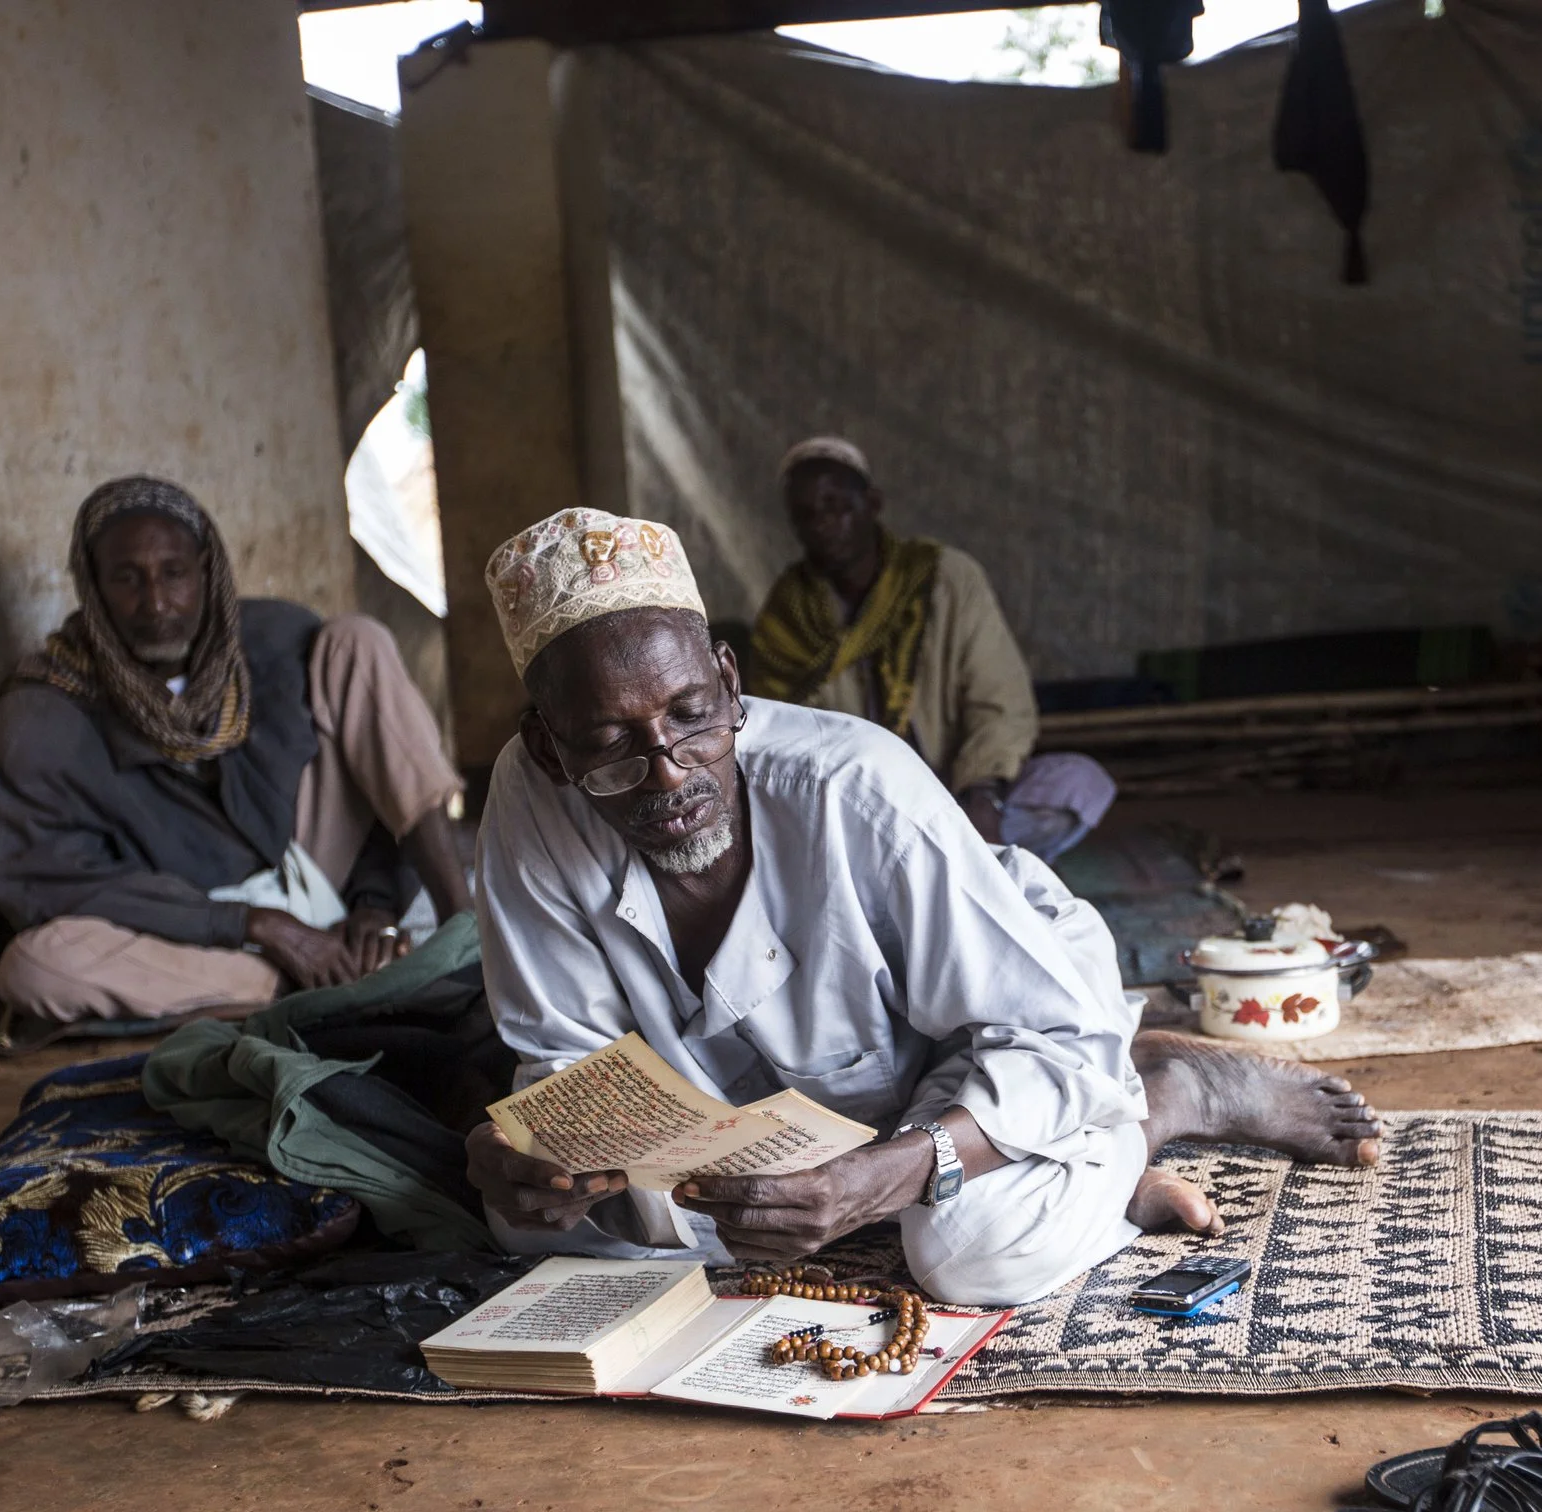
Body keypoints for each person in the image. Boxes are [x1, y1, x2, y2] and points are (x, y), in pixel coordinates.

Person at [465, 508, 1379, 1306]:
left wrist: (882, 1178)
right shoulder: (528, 796)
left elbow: (1050, 1035)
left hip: (994, 1027)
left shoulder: (855, 787)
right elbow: (567, 1060)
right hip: (751, 1109)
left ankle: (1160, 1100)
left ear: (732, 683)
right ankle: (1074, 1176)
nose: (672, 773)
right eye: (613, 746)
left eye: (694, 716)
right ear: (548, 749)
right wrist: (553, 1164)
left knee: (969, 1254)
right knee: (544, 1237)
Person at [0, 476, 472, 1036]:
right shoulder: (39, 717)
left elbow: (379, 784)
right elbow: (55, 885)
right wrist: (253, 925)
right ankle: (305, 982)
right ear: (92, 586)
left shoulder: (281, 638)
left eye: (174, 573)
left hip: (314, 865)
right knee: (34, 968)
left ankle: (464, 923)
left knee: (358, 640)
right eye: (126, 579)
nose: (156, 602)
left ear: (207, 570)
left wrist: (376, 904)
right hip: (195, 925)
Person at [746, 436, 1116, 862]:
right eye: (807, 515)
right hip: (856, 808)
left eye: (837, 507)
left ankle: (938, 864)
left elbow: (1000, 701)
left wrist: (983, 793)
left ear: (873, 503)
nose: (824, 525)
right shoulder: (786, 614)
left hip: (954, 788)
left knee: (1080, 784)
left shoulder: (943, 578)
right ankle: (949, 871)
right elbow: (773, 737)